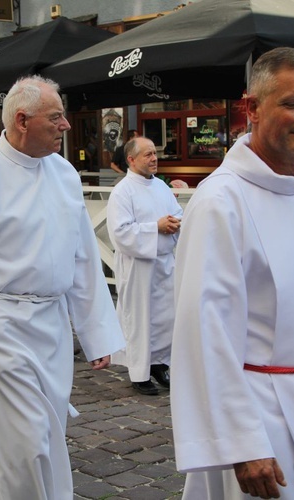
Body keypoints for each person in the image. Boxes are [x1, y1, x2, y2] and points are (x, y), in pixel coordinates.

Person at [170, 47, 294, 500]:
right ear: (252, 108)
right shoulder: (221, 202)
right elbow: (206, 330)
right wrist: (241, 443)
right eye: (293, 102)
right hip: (260, 414)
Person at [0, 76, 125, 499]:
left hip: (51, 327)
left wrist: (95, 331)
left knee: (50, 434)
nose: (66, 125)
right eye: (56, 117)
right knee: (26, 442)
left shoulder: (65, 173)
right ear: (21, 120)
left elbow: (83, 257)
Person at [107, 136, 182, 396]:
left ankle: (160, 364)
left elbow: (177, 212)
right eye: (148, 154)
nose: (154, 158)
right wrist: (156, 228)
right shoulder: (122, 191)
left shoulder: (160, 187)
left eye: (154, 153)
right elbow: (120, 233)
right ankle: (139, 373)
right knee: (139, 319)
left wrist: (174, 223)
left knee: (164, 318)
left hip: (163, 264)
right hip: (138, 266)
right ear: (131, 159)